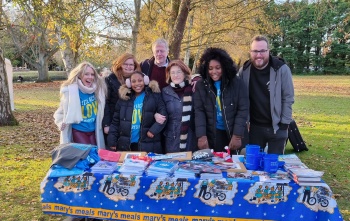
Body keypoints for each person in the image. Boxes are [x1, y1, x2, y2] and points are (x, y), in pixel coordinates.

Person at [238, 35, 294, 154]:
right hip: (254, 129)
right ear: (250, 52)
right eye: (255, 51)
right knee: (253, 167)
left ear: (268, 51)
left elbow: (288, 98)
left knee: (274, 168)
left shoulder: (281, 69)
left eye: (262, 51)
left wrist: (284, 124)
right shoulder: (244, 70)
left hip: (277, 127)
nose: (259, 55)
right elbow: (235, 92)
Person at [193, 47, 248, 153]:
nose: (214, 71)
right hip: (213, 134)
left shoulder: (237, 83)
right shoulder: (201, 85)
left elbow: (243, 109)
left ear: (224, 66)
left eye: (218, 68)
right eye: (210, 68)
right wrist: (201, 136)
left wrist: (237, 135)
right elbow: (199, 111)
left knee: (236, 166)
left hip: (234, 132)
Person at [107, 71, 167, 153]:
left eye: (140, 80)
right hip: (127, 144)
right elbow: (115, 121)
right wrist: (111, 140)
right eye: (133, 81)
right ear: (129, 83)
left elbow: (163, 114)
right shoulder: (124, 99)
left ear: (145, 81)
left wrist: (154, 130)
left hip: (148, 143)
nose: (137, 84)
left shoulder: (154, 96)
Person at [54, 61, 107, 148]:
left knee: (96, 155)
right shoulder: (71, 91)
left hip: (94, 130)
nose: (90, 77)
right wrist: (60, 123)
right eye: (86, 74)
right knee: (87, 154)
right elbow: (60, 112)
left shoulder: (98, 90)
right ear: (79, 75)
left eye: (92, 74)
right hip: (79, 130)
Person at [162, 60, 197, 153]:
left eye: (178, 72)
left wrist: (198, 79)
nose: (175, 75)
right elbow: (159, 109)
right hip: (171, 137)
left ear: (185, 73)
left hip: (191, 136)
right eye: (172, 72)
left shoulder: (193, 88)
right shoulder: (165, 92)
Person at [103, 53, 141, 139]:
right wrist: (106, 124)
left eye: (131, 64)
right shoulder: (111, 79)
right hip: (114, 121)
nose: (128, 66)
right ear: (120, 65)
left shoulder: (138, 79)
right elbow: (106, 103)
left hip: (133, 121)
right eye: (125, 64)